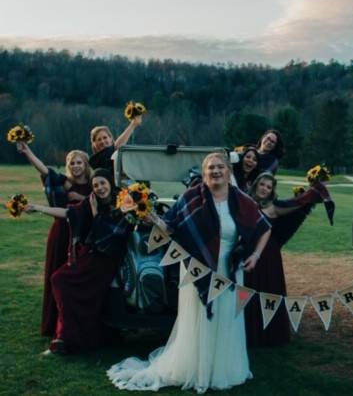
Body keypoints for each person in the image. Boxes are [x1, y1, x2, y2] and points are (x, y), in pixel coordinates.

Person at [108, 149, 271, 393]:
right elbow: (170, 228)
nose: (215, 171)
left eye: (220, 167)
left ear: (228, 171)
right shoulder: (191, 198)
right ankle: (198, 369)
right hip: (197, 271)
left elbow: (264, 227)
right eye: (210, 168)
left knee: (227, 320)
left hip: (230, 272)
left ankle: (224, 368)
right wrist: (152, 218)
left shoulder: (241, 201)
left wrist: (256, 255)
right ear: (204, 174)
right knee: (202, 322)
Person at [26, 168, 132, 354]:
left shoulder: (122, 203)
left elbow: (111, 234)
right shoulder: (91, 202)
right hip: (90, 256)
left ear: (110, 183)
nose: (99, 188)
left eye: (102, 183)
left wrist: (96, 214)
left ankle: (70, 336)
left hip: (107, 261)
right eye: (95, 185)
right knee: (59, 280)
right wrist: (38, 208)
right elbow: (68, 213)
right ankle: (68, 335)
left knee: (64, 281)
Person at [244, 172, 332, 346]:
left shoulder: (274, 207)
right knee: (247, 290)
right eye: (262, 184)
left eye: (269, 187)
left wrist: (315, 191)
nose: (265, 189)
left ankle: (268, 334)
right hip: (246, 253)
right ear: (256, 185)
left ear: (272, 191)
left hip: (268, 255)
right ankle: (246, 332)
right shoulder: (244, 202)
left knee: (268, 290)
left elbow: (298, 203)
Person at [16, 142, 93, 337]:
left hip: (82, 236)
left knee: (75, 280)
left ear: (85, 164)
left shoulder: (95, 184)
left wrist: (82, 199)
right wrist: (28, 152)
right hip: (61, 234)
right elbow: (46, 171)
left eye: (79, 162)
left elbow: (98, 205)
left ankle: (76, 323)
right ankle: (53, 324)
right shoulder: (66, 183)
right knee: (55, 275)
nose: (75, 166)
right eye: (71, 163)